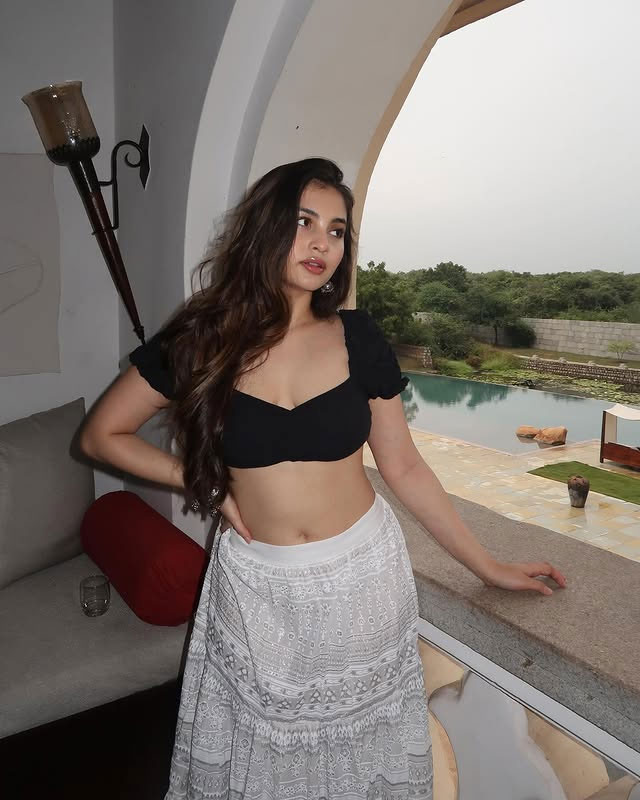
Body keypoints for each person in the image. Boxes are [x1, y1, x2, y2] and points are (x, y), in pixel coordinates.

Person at [79, 157, 567, 799]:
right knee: (265, 766)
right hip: (256, 589)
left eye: (337, 231)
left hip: (363, 581)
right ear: (265, 228)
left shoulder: (357, 337)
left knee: (358, 766)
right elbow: (101, 435)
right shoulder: (201, 339)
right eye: (304, 222)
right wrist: (207, 486)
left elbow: (404, 466)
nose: (322, 244)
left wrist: (489, 566)